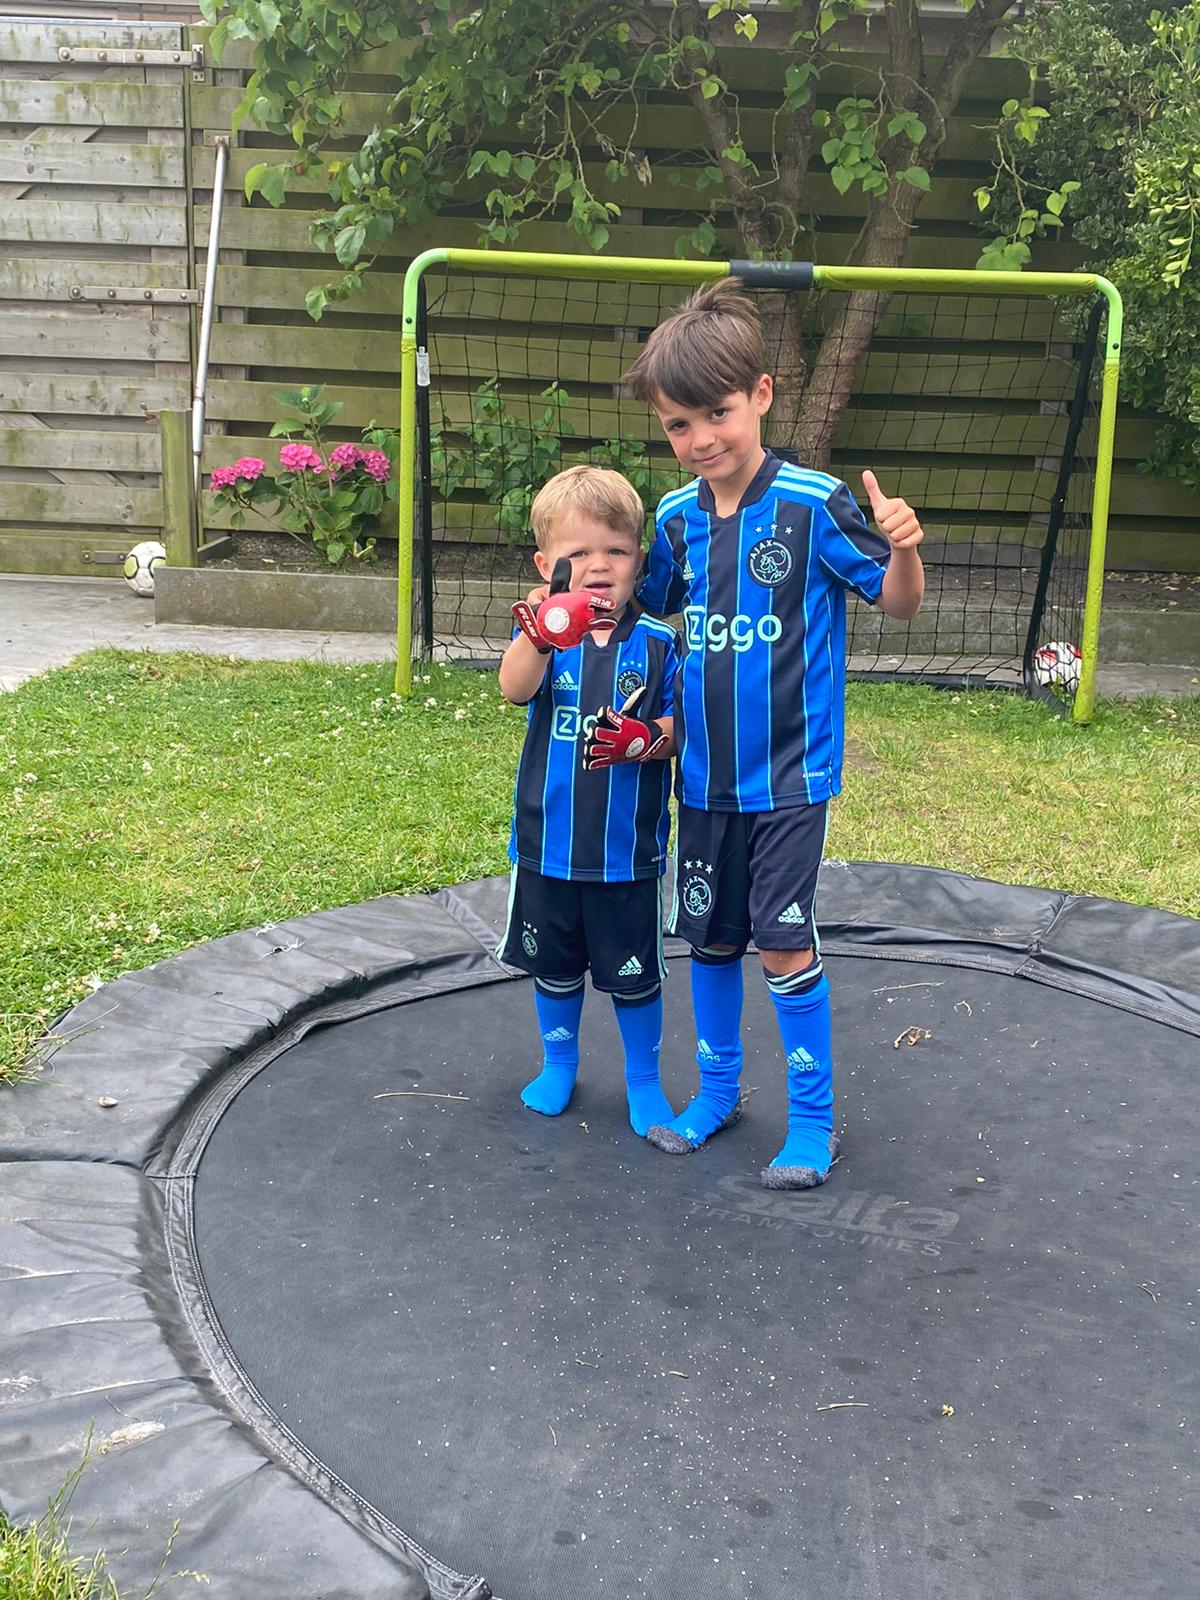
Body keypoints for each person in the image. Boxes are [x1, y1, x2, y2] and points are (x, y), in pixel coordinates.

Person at [621, 278, 926, 1189]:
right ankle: (718, 1093)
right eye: (678, 425)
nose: (700, 440)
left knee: (784, 945)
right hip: (703, 782)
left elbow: (897, 603)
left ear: (760, 395)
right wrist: (571, 593)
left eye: (716, 413)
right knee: (710, 941)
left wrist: (905, 547)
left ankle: (814, 1123)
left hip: (791, 779)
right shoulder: (674, 521)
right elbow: (641, 614)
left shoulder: (813, 503)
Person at [497, 465, 682, 1137]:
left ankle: (643, 1082)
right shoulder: (545, 636)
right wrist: (539, 635)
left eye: (617, 550)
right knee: (553, 968)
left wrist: (646, 740)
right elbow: (513, 689)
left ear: (640, 559)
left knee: (635, 979)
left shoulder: (660, 642)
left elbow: (683, 729)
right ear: (547, 565)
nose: (599, 566)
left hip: (626, 854)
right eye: (578, 554)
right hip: (547, 845)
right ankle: (559, 1064)